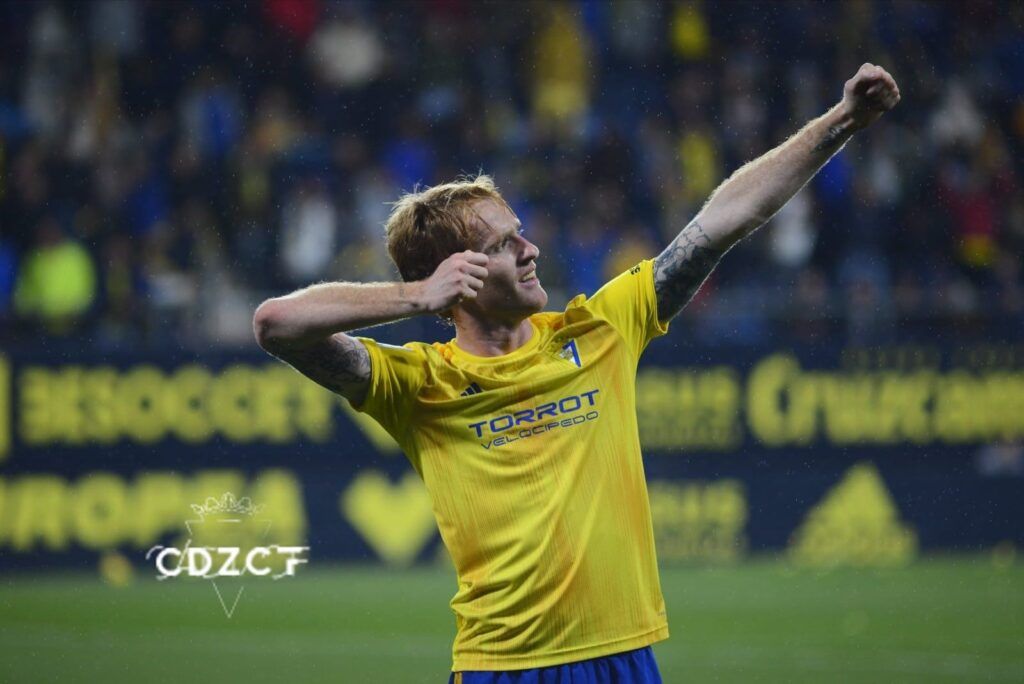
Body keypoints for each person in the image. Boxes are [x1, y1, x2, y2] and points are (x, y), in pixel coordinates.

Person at [253, 63, 900, 683]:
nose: (530, 250)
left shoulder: (599, 329)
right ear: (460, 275)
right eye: (503, 245)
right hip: (501, 668)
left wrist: (840, 121)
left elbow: (722, 221)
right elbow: (275, 324)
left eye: (521, 232)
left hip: (623, 660)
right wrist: (413, 297)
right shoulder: (419, 385)